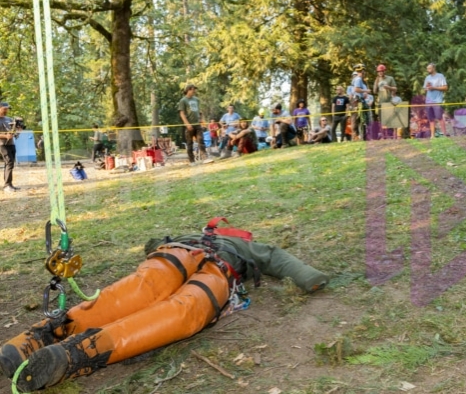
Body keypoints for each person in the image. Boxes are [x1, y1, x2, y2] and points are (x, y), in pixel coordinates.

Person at [0, 221, 329, 391]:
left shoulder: (216, 240)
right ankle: (62, 345)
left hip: (194, 260)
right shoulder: (236, 244)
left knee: (158, 299)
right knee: (167, 301)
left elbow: (151, 245)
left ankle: (55, 343)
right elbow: (276, 256)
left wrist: (309, 276)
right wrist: (309, 277)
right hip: (200, 261)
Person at [178, 84, 208, 166]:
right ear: (188, 90)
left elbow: (200, 111)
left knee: (201, 140)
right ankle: (192, 161)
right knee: (189, 143)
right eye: (193, 89)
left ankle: (205, 158)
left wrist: (201, 120)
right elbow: (182, 114)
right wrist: (187, 124)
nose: (194, 91)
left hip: (197, 124)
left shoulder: (197, 100)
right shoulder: (183, 100)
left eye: (195, 89)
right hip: (189, 125)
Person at [423, 63, 449, 138]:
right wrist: (427, 87)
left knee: (440, 117)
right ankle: (432, 136)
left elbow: (445, 88)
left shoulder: (440, 76)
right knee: (431, 119)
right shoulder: (427, 77)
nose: (428, 70)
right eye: (427, 69)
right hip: (428, 101)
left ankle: (444, 135)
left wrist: (434, 88)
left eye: (429, 68)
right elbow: (425, 89)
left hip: (437, 100)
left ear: (434, 68)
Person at [0, 102, 19, 193]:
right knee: (9, 162)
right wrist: (5, 136)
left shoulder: (9, 119)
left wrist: (18, 131)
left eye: (7, 108)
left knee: (9, 164)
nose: (6, 110)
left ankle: (9, 184)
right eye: (4, 108)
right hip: (2, 144)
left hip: (11, 144)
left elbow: (14, 130)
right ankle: (7, 186)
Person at [350, 64, 371, 140]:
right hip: (358, 101)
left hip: (360, 99)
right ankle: (358, 137)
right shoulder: (358, 79)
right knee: (361, 119)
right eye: (364, 71)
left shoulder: (359, 80)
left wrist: (364, 94)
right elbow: (356, 89)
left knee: (362, 119)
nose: (365, 72)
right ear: (362, 71)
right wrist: (366, 91)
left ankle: (362, 136)